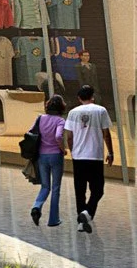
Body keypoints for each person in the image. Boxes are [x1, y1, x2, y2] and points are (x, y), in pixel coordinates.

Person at [66, 84, 118, 231]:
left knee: (80, 190)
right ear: (92, 97)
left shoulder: (72, 113)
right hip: (95, 156)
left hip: (79, 157)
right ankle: (88, 213)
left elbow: (69, 137)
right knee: (98, 190)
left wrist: (73, 151)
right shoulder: (100, 110)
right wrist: (111, 152)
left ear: (78, 98)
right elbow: (106, 134)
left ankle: (81, 222)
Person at [31, 94, 71, 228]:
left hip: (42, 155)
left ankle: (36, 206)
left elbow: (31, 132)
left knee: (45, 186)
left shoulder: (40, 118)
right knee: (55, 188)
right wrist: (63, 149)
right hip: (55, 156)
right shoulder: (60, 121)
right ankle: (53, 219)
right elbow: (58, 136)